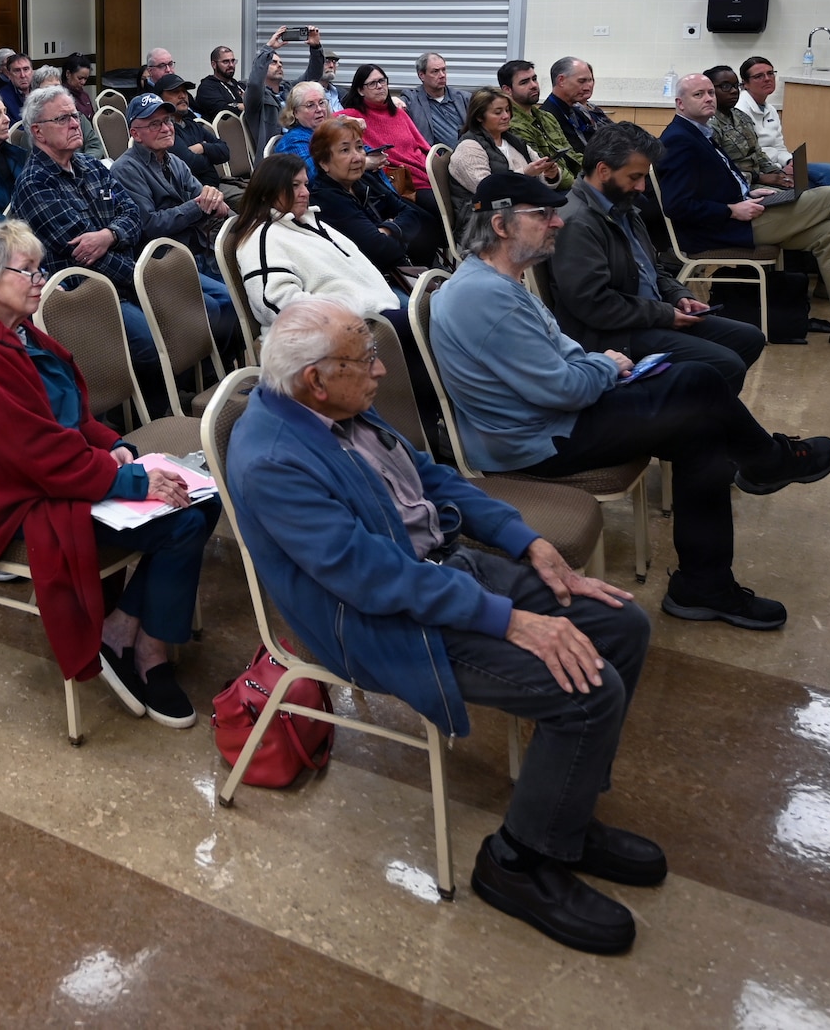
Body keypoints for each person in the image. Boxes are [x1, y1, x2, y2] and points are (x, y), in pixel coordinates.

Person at [229, 296, 660, 955]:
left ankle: (560, 815)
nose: (378, 372)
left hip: (438, 573)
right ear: (315, 379)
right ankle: (517, 862)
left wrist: (526, 542)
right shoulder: (276, 460)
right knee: (587, 692)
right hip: (377, 623)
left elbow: (432, 479)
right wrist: (509, 620)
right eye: (364, 359)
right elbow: (371, 578)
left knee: (621, 624)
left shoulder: (342, 409)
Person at [431, 171, 830, 631]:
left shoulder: (496, 283)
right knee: (700, 382)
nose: (558, 223)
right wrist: (606, 366)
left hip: (553, 419)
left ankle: (703, 586)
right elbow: (565, 387)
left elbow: (560, 362)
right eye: (542, 214)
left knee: (700, 427)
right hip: (538, 441)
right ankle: (766, 461)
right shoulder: (486, 296)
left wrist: (599, 366)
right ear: (502, 227)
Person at [0, 220, 219, 727]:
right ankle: (148, 652)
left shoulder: (19, 330)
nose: (40, 281)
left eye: (41, 269)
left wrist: (117, 447)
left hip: (53, 473)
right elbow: (34, 453)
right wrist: (131, 481)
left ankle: (127, 629)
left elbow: (74, 420)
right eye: (28, 271)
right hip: (15, 502)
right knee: (181, 520)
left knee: (203, 496)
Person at [657, 73, 830, 355]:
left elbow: (713, 184)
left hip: (741, 213)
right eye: (698, 95)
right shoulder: (679, 140)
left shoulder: (700, 132)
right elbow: (677, 206)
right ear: (679, 103)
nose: (709, 98)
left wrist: (747, 193)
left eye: (709, 93)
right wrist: (731, 209)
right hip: (722, 229)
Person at [546, 124, 767, 392]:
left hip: (645, 315)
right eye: (635, 177)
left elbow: (651, 266)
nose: (641, 186)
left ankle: (698, 408)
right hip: (614, 334)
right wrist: (664, 314)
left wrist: (678, 295)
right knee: (726, 364)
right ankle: (690, 415)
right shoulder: (577, 222)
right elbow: (594, 305)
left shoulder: (621, 206)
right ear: (603, 171)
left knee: (749, 338)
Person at [9, 84, 164, 379]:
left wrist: (110, 235)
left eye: (75, 116)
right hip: (87, 295)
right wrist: (140, 276)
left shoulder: (91, 166)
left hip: (122, 280)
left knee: (191, 316)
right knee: (155, 342)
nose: (74, 123)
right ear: (38, 132)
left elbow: (133, 216)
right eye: (62, 118)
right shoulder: (35, 184)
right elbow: (85, 256)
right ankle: (146, 412)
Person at [109, 94, 237, 339]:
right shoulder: (125, 169)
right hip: (161, 262)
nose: (167, 128)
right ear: (136, 134)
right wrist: (199, 206)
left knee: (244, 288)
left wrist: (232, 217)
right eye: (155, 124)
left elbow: (207, 198)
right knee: (226, 302)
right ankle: (212, 369)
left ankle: (226, 363)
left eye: (167, 121)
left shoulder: (175, 162)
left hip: (195, 251)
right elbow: (150, 225)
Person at [229, 153, 400, 330]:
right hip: (351, 329)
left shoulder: (309, 221)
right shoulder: (261, 238)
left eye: (305, 184)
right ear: (266, 192)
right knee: (428, 314)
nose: (305, 193)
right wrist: (343, 319)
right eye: (295, 185)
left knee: (429, 306)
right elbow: (276, 303)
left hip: (381, 309)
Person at [311, 117, 441, 276]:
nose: (358, 157)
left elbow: (412, 215)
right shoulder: (326, 197)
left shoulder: (364, 180)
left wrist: (386, 229)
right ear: (324, 162)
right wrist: (400, 234)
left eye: (359, 147)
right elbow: (380, 250)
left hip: (397, 272)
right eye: (345, 150)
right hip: (364, 282)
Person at [739, 57, 830, 194]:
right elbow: (747, 155)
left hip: (778, 165)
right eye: (759, 76)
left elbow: (779, 146)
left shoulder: (770, 110)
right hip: (763, 171)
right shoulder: (740, 111)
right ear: (746, 83)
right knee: (817, 188)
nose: (767, 79)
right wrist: (778, 171)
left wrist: (790, 162)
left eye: (770, 73)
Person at [447, 87, 560, 219]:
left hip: (520, 209)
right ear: (479, 116)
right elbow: (487, 191)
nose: (506, 116)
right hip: (482, 221)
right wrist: (525, 174)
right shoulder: (468, 148)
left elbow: (539, 175)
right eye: (498, 112)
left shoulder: (514, 141)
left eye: (507, 110)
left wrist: (550, 175)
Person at [341, 64, 436, 197]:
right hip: (403, 183)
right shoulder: (353, 116)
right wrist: (344, 120)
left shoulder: (399, 113)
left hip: (428, 174)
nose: (380, 86)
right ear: (361, 90)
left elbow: (424, 146)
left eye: (382, 81)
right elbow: (326, 123)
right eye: (373, 83)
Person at [495, 60, 580, 187]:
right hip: (554, 187)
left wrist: (593, 175)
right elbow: (541, 167)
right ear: (507, 90)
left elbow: (571, 154)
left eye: (534, 79)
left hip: (574, 182)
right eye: (524, 82)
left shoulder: (547, 117)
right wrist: (581, 186)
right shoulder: (512, 125)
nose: (533, 85)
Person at [243, 25, 323, 157]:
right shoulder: (257, 98)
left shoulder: (289, 89)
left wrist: (315, 48)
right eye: (273, 62)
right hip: (277, 158)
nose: (279, 65)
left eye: (281, 63)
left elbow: (313, 76)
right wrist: (269, 48)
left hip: (305, 144)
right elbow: (255, 83)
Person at [705, 65, 781, 187]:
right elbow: (717, 173)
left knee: (805, 187)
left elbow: (758, 153)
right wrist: (759, 178)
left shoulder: (741, 116)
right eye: (725, 86)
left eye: (736, 86)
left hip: (757, 180)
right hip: (739, 187)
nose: (734, 91)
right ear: (709, 90)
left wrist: (777, 173)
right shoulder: (709, 125)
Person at [153, 73, 231, 185]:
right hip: (191, 195)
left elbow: (225, 152)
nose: (182, 96)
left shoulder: (192, 124)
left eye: (184, 91)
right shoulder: (164, 130)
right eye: (175, 92)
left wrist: (202, 147)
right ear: (160, 98)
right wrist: (211, 157)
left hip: (215, 188)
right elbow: (188, 163)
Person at [544, 57, 612, 155]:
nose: (587, 87)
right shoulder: (547, 116)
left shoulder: (578, 110)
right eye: (582, 81)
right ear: (561, 80)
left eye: (590, 80)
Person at [402, 51, 468, 150]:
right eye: (435, 71)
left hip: (467, 155)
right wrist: (394, 100)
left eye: (444, 70)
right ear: (422, 75)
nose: (442, 75)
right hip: (433, 160)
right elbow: (395, 104)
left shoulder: (464, 98)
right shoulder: (412, 99)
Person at [270, 80, 331, 166]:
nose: (319, 109)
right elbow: (311, 173)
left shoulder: (324, 133)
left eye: (321, 103)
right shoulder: (293, 141)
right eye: (310, 105)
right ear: (295, 112)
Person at [194, 44, 243, 120]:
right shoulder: (207, 88)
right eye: (226, 62)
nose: (231, 65)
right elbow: (222, 111)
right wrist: (241, 106)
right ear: (214, 64)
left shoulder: (240, 85)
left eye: (233, 61)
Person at [0, 50, 34, 124]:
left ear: (32, 72)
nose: (23, 75)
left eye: (26, 69)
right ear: (9, 75)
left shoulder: (41, 91)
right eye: (17, 71)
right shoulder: (2, 98)